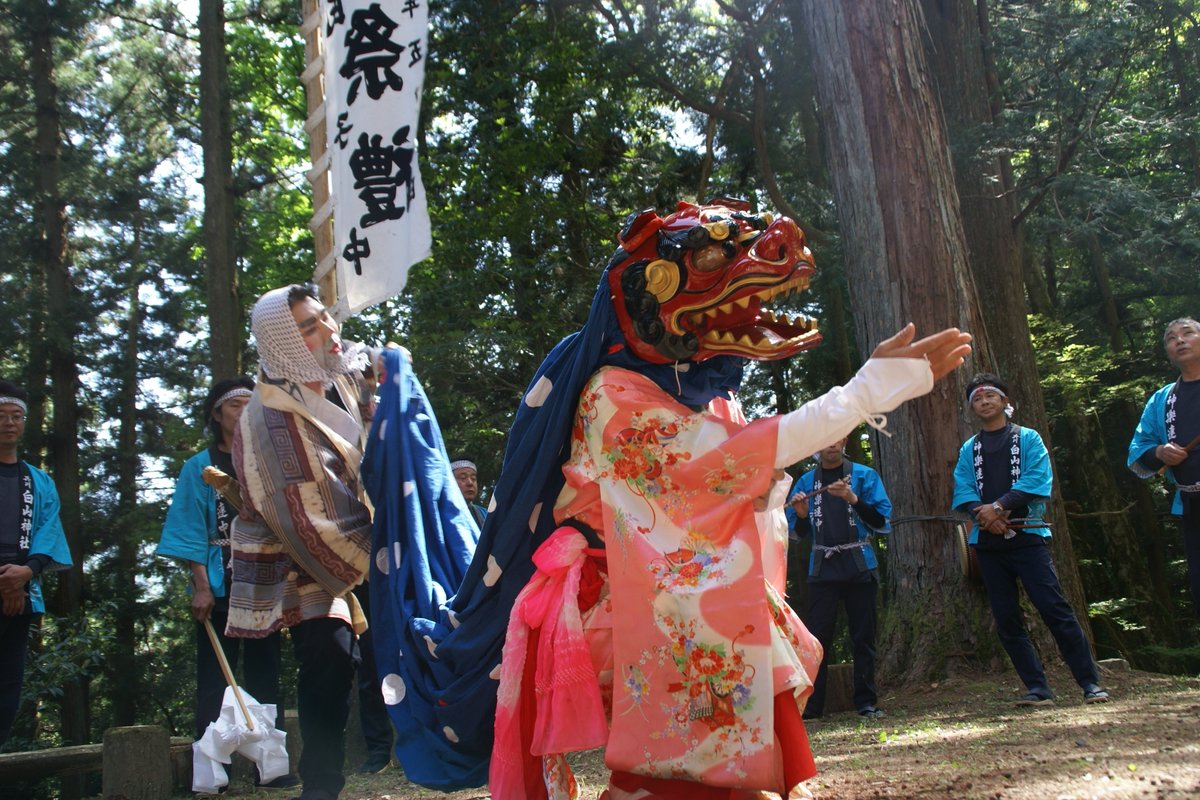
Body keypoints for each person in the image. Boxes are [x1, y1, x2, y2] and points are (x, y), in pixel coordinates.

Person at [226, 284, 374, 800]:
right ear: (282, 339)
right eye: (309, 327)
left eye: (324, 319)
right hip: (298, 552)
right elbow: (296, 511)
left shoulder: (352, 378)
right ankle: (322, 783)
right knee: (328, 656)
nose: (329, 331)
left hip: (370, 531)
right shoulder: (262, 420)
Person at [156, 376, 298, 786]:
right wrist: (200, 585)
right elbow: (188, 528)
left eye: (252, 404)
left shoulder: (268, 460)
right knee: (215, 679)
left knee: (266, 673)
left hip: (262, 585)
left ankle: (270, 769)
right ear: (217, 414)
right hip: (218, 585)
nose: (244, 412)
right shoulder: (198, 466)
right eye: (236, 405)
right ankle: (209, 774)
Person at [952, 373, 1108, 707]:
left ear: (1005, 401)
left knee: (1054, 608)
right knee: (1007, 618)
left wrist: (998, 507)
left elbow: (1038, 478)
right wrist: (986, 516)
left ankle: (1089, 682)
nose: (984, 402)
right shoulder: (970, 448)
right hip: (988, 542)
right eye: (977, 399)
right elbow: (962, 487)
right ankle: (1038, 687)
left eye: (990, 396)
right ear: (971, 408)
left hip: (1028, 534)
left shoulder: (1028, 438)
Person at [785, 435, 892, 719]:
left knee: (863, 636)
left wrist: (852, 498)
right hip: (823, 567)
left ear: (845, 439)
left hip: (859, 563)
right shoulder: (807, 482)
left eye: (837, 437)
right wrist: (803, 514)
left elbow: (881, 521)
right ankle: (814, 706)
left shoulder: (864, 475)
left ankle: (866, 702)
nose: (831, 443)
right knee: (817, 639)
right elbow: (799, 532)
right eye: (825, 438)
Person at [0, 380, 72, 749]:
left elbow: (49, 529)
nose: (10, 423)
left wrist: (25, 574)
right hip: (10, 584)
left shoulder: (38, 480)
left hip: (23, 587)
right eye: (2, 416)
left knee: (9, 681)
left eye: (17, 416)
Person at [1128, 317, 1200, 615]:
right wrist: (1160, 451)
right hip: (1191, 503)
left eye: (1188, 333)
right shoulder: (1162, 399)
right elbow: (1138, 452)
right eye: (1171, 338)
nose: (1179, 340)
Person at [450, 458, 487, 527]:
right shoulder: (440, 514)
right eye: (463, 478)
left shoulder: (485, 515)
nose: (470, 483)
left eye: (473, 478)